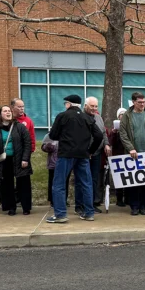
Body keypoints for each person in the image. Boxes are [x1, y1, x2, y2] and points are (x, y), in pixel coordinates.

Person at [46, 95, 103, 223]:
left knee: (59, 184)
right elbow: (99, 135)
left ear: (68, 104)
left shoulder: (63, 116)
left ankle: (60, 214)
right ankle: (89, 213)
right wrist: (91, 151)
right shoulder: (87, 118)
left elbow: (53, 135)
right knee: (86, 183)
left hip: (66, 154)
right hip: (83, 155)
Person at [118, 92, 145, 216]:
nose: (142, 104)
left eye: (144, 102)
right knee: (134, 183)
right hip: (133, 154)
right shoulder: (127, 115)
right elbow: (123, 133)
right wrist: (130, 148)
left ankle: (143, 205)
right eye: (140, 102)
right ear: (134, 102)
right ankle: (134, 206)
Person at [0, 105, 33, 215]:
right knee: (7, 184)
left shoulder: (20, 127)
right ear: (0, 114)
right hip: (4, 160)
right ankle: (11, 207)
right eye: (5, 111)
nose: (8, 113)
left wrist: (25, 158)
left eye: (9, 111)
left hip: (19, 159)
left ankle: (26, 207)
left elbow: (27, 143)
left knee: (23, 183)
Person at [84, 97, 110, 213]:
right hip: (84, 154)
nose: (94, 108)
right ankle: (83, 204)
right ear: (85, 106)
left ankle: (94, 203)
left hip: (97, 153)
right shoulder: (81, 117)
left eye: (96, 106)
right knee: (84, 179)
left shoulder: (98, 118)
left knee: (95, 178)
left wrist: (106, 144)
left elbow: (103, 133)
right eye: (92, 106)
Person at [109, 108, 127, 207]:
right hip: (118, 156)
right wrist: (114, 133)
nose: (122, 116)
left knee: (128, 178)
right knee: (119, 179)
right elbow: (111, 143)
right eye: (121, 114)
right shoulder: (114, 130)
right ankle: (119, 199)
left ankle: (127, 198)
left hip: (127, 155)